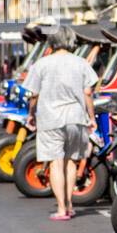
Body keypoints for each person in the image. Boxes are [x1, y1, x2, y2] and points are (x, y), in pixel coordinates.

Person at [23, 24, 99, 220]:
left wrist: (31, 114)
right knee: (71, 161)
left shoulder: (41, 64)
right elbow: (88, 92)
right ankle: (70, 203)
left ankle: (61, 208)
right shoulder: (81, 63)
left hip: (50, 119)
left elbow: (34, 94)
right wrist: (92, 118)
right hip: (76, 117)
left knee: (56, 163)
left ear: (51, 41)